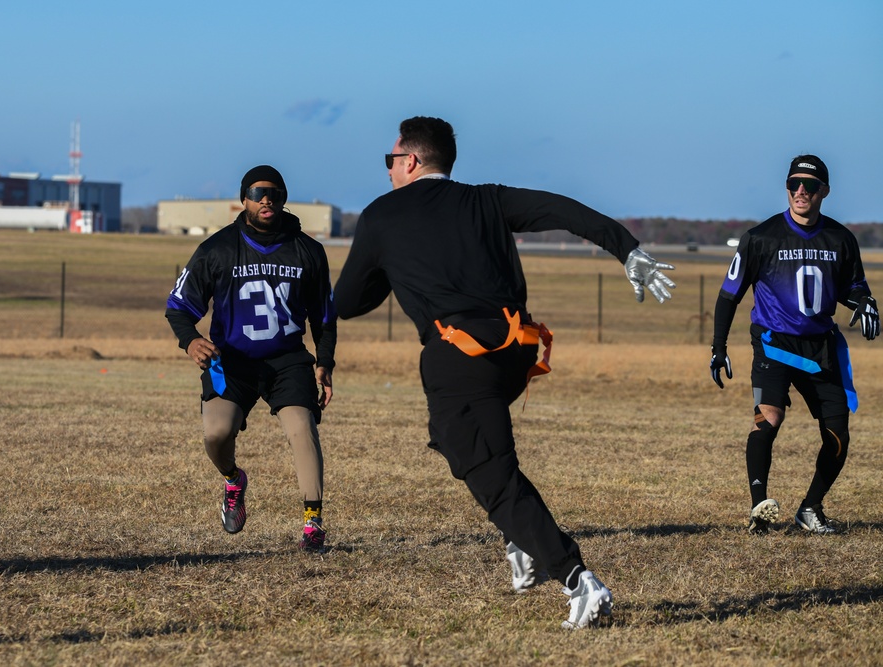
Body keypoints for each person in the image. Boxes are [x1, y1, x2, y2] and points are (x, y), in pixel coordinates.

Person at [333, 116, 676, 629]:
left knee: (492, 475)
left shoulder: (382, 216)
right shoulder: (486, 199)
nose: (386, 171)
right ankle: (521, 537)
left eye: (390, 160)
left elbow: (347, 302)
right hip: (516, 352)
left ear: (411, 161)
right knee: (458, 441)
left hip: (460, 357)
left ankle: (576, 578)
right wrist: (626, 247)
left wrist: (387, 266)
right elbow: (562, 208)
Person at [165, 165, 337, 553]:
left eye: (275, 193)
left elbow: (324, 317)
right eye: (258, 192)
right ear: (243, 198)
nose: (267, 200)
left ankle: (313, 525)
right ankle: (233, 479)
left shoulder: (309, 250)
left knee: (302, 428)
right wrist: (191, 340)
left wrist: (324, 362)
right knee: (216, 435)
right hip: (233, 360)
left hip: (288, 359)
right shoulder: (217, 248)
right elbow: (178, 306)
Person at [710, 154, 877, 536]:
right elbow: (728, 296)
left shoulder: (841, 239)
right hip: (773, 343)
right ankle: (759, 508)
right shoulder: (761, 237)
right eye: (794, 184)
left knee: (838, 434)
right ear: (786, 188)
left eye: (810, 185)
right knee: (768, 417)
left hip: (820, 348)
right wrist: (718, 346)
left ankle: (810, 509)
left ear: (825, 192)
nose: (801, 191)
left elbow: (853, 288)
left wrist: (864, 301)